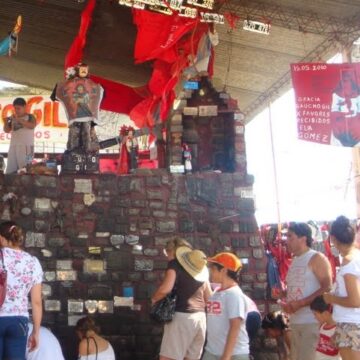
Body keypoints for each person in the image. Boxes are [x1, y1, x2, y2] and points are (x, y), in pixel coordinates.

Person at [279, 222, 332, 360]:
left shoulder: (317, 258)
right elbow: (300, 288)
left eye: (290, 237)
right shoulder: (295, 260)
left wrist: (302, 303)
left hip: (312, 321)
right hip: (296, 322)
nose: (286, 241)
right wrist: (283, 295)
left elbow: (327, 287)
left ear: (303, 238)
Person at [151, 238, 211, 360]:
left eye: (167, 253)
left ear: (172, 252)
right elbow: (209, 296)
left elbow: (165, 289)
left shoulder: (174, 264)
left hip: (181, 317)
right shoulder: (200, 267)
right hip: (200, 318)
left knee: (168, 358)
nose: (167, 257)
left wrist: (154, 299)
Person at [0, 221, 43, 359]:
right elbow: (36, 302)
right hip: (19, 321)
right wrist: (36, 332)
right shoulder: (33, 262)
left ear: (1, 238)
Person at [323, 216, 360, 360]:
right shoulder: (356, 256)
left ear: (333, 238)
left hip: (350, 324)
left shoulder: (349, 262)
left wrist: (330, 298)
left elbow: (355, 301)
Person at [204, 252, 250, 360]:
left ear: (224, 270)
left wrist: (226, 356)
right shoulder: (217, 293)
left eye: (213, 269)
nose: (210, 271)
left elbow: (235, 327)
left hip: (234, 354)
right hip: (212, 351)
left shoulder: (234, 295)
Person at [3, 97, 37, 174]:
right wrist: (5, 122)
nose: (16, 110)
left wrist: (18, 120)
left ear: (25, 107)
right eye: (15, 108)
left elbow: (32, 125)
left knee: (26, 169)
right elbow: (6, 130)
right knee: (10, 170)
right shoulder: (12, 118)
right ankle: (11, 185)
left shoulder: (30, 116)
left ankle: (27, 185)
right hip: (14, 147)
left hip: (28, 147)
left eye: (19, 108)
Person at [310, 295, 340, 360]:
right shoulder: (322, 326)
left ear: (326, 313)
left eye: (315, 314)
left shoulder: (338, 330)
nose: (314, 317)